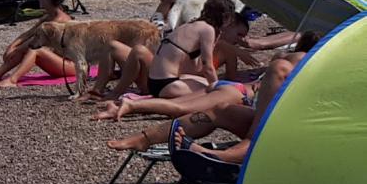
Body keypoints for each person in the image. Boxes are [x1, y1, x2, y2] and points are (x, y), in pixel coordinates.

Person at [107, 33, 319, 153]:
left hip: (236, 90)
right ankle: (144, 133)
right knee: (181, 108)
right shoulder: (306, 63)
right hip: (241, 95)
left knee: (208, 110)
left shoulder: (287, 59)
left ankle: (220, 155)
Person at [122, 0, 242, 100]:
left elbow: (196, 67)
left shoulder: (192, 24)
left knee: (209, 83)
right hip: (166, 84)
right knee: (217, 91)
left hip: (156, 81)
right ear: (225, 16)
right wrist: (217, 88)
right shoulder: (208, 30)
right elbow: (207, 67)